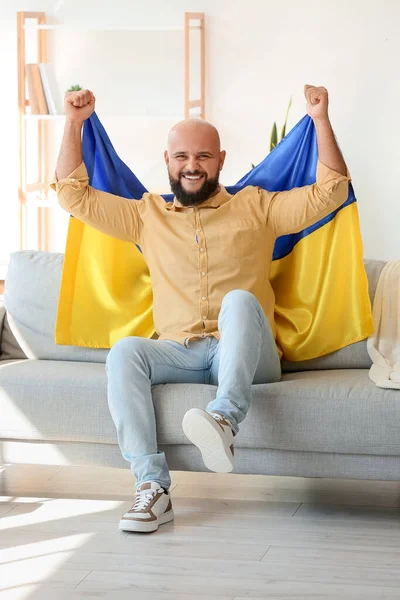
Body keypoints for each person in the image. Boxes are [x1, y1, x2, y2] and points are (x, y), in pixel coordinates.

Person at [52, 85, 350, 533]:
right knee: (125, 352)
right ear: (168, 160)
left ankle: (224, 421)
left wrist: (321, 120)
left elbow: (332, 190)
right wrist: (74, 123)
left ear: (221, 160)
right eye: (182, 156)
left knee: (238, 300)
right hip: (182, 353)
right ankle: (152, 488)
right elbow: (72, 195)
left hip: (249, 355)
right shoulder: (144, 215)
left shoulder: (259, 206)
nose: (192, 165)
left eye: (203, 156)